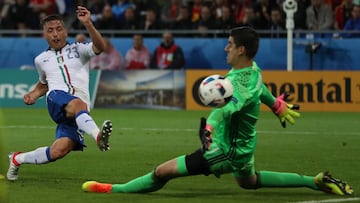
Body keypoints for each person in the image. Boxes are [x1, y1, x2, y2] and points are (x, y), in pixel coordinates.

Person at [82, 27, 353, 196]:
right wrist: (276, 105)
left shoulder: (237, 85)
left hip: (224, 149)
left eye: (230, 44)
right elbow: (261, 89)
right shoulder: (251, 70)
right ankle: (315, 181)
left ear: (241, 50)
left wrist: (209, 129)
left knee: (161, 172)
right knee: (249, 182)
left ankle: (112, 189)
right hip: (244, 146)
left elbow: (224, 110)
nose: (226, 48)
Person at [6, 6, 113, 181]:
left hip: (79, 111)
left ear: (65, 31)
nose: (55, 34)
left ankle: (17, 158)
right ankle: (98, 136)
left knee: (59, 151)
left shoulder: (80, 50)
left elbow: (100, 47)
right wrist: (33, 94)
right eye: (50, 31)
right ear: (45, 35)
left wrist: (88, 24)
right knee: (79, 104)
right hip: (57, 98)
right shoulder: (41, 60)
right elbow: (43, 84)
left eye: (58, 29)